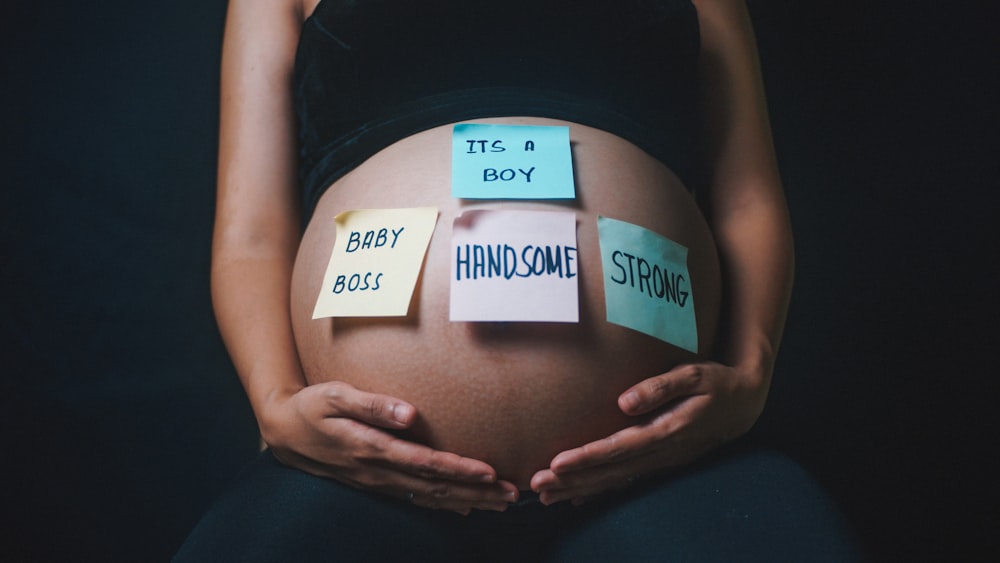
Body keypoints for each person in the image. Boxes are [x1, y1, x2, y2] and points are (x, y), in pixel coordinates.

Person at [175, 0, 863, 560]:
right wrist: (276, 403)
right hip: (361, 471)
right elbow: (253, 231)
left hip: (662, 460)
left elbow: (747, 202)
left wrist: (750, 375)